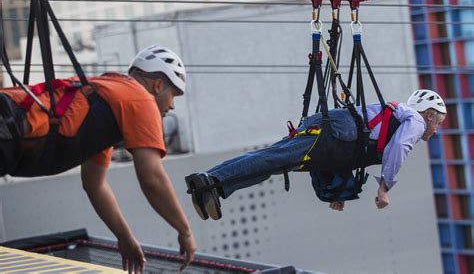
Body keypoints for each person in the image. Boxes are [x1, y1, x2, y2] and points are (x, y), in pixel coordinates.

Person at [0, 45, 196, 272]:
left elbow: (95, 185)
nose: (172, 105)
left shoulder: (106, 100)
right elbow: (152, 178)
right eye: (173, 95)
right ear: (158, 85)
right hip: (8, 128)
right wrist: (185, 230)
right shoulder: (141, 101)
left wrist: (124, 237)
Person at [186, 89, 447, 220]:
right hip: (333, 134)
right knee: (274, 159)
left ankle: (213, 185)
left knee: (273, 160)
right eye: (438, 123)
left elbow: (356, 149)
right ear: (430, 114)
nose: (435, 130)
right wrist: (385, 186)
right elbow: (399, 147)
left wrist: (338, 192)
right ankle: (211, 180)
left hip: (333, 135)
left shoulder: (398, 118)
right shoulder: (415, 121)